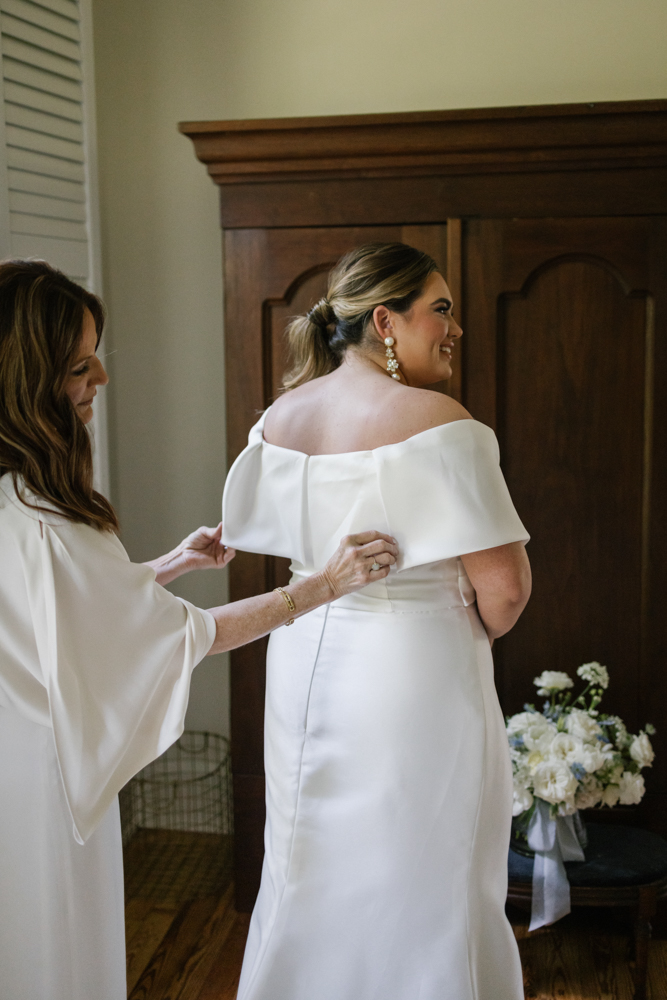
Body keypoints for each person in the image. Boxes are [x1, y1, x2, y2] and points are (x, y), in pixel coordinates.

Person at [0, 258, 398, 1000]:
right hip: (31, 782)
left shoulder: (15, 501)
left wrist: (162, 567)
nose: (101, 380)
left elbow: (52, 609)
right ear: (29, 377)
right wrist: (323, 585)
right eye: (81, 363)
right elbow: (186, 638)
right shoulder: (45, 513)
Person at [221, 242, 532, 1000]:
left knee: (310, 856)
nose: (454, 328)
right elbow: (507, 591)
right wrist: (450, 628)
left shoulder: (280, 417)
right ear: (385, 321)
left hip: (303, 656)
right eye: (441, 309)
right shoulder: (438, 421)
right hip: (412, 662)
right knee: (428, 859)